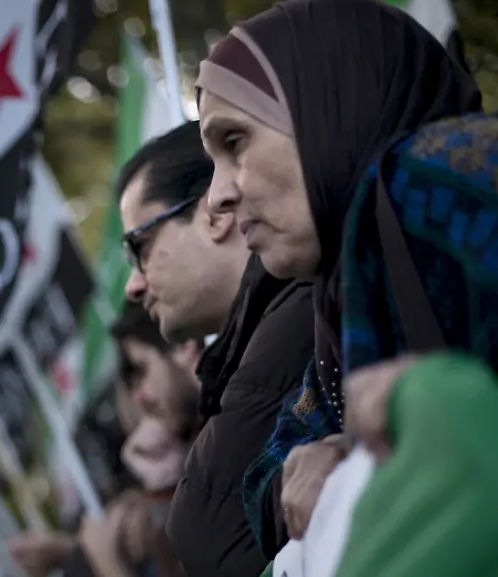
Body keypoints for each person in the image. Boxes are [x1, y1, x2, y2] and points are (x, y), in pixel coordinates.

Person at [195, 0, 488, 547]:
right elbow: (269, 478)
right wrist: (334, 454)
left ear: (331, 107)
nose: (217, 197)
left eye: (234, 143)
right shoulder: (344, 299)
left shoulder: (438, 176)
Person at [119, 120, 315, 576]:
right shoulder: (264, 334)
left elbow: (212, 542)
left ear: (214, 211)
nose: (133, 285)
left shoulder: (300, 313)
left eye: (140, 247)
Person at [8, 302, 201, 577]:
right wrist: (71, 551)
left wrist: (107, 560)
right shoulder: (191, 456)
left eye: (141, 370)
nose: (140, 398)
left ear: (183, 348)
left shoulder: (227, 438)